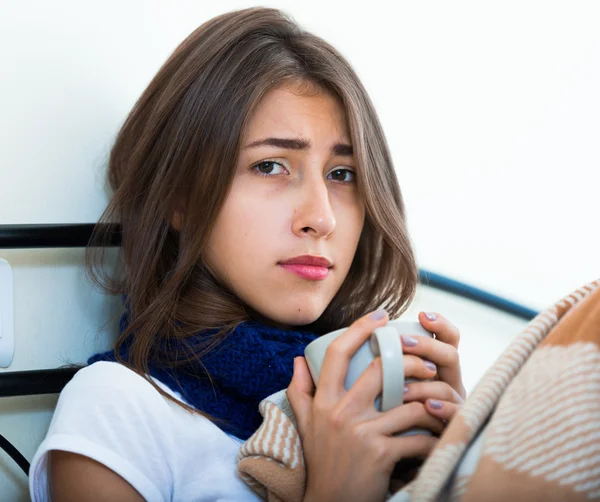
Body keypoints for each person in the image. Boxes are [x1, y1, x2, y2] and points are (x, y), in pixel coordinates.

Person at [29, 7, 466, 502]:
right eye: (271, 166)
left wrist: (458, 463)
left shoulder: (372, 396)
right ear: (180, 196)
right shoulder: (118, 409)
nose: (321, 218)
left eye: (342, 174)